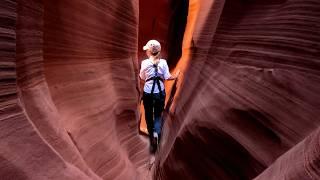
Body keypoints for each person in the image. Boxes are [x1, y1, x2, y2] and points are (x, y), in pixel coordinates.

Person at [139, 40, 179, 153]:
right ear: (159, 51)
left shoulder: (145, 63)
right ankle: (157, 133)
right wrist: (175, 76)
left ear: (149, 52)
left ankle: (152, 136)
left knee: (148, 114)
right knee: (157, 114)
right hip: (159, 92)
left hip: (148, 92)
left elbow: (142, 76)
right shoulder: (163, 63)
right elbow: (167, 77)